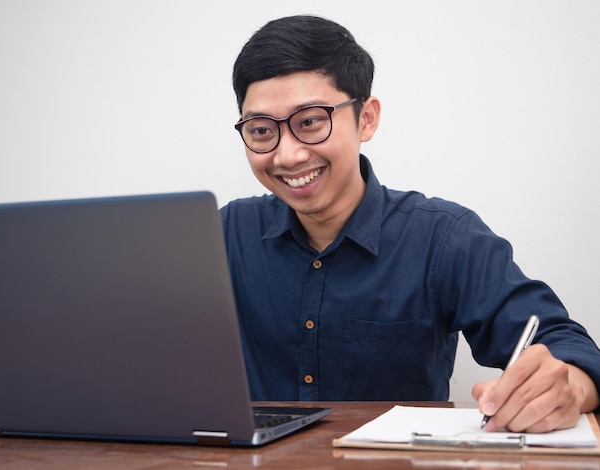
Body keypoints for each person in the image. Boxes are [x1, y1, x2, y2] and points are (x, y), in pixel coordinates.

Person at [220, 14, 600, 433]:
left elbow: (568, 346)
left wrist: (570, 387)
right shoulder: (222, 236)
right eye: (260, 130)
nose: (288, 155)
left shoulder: (443, 238)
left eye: (309, 122)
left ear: (365, 118)